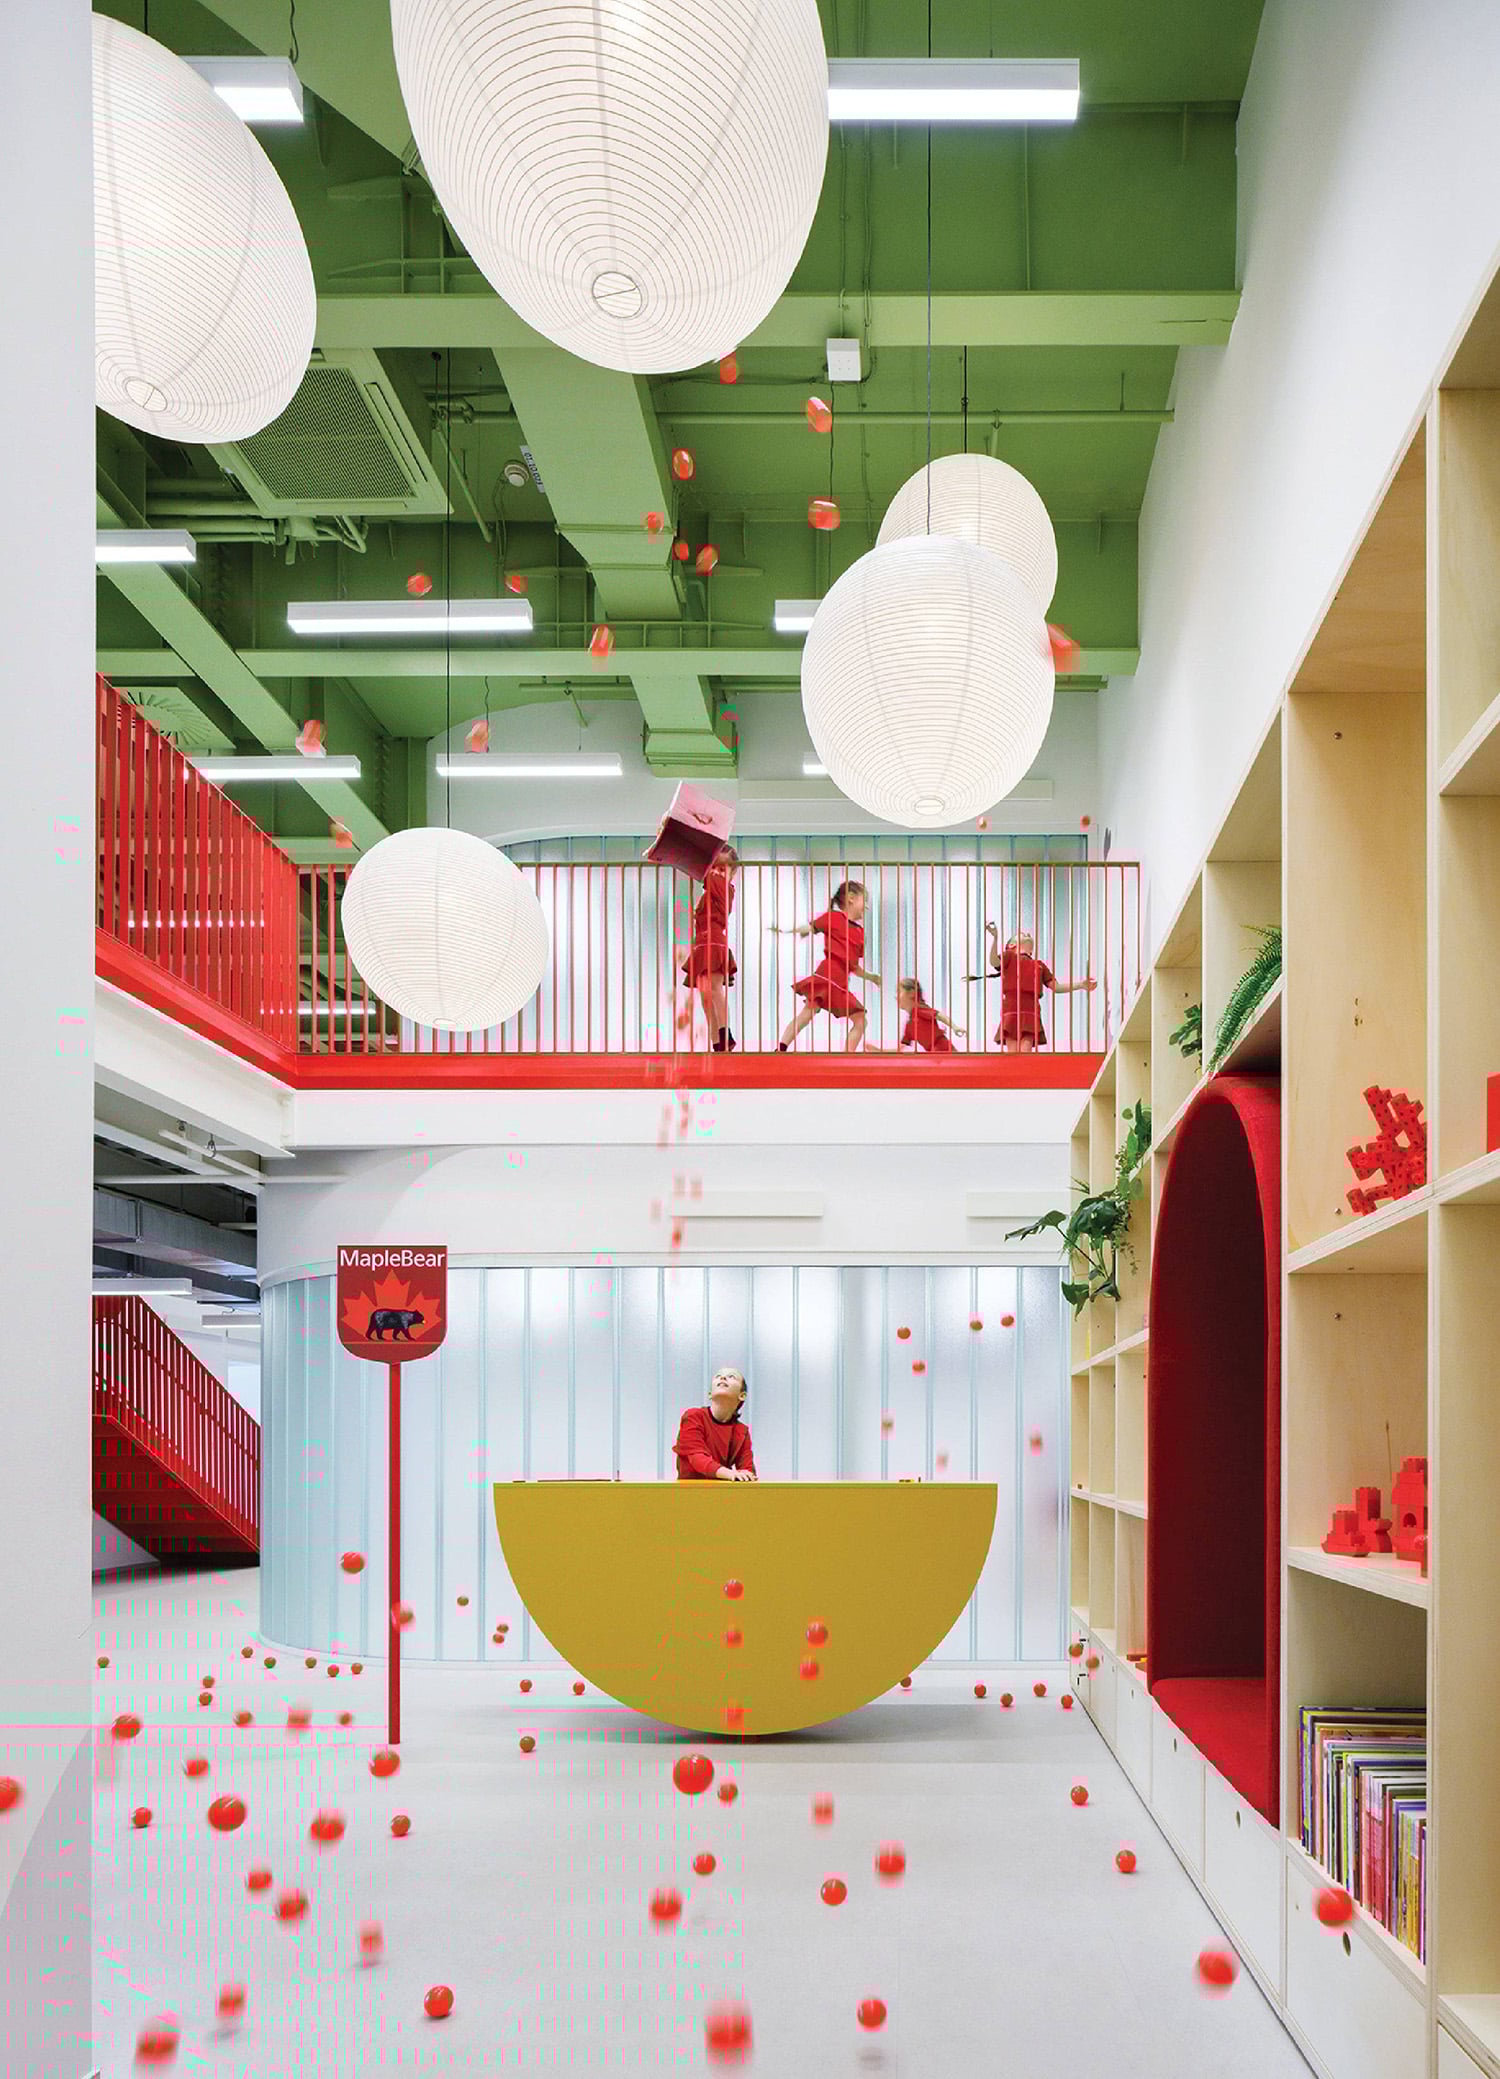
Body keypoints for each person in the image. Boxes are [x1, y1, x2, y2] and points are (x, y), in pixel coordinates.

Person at [775, 881, 881, 1053]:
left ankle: (848, 1057)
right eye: (865, 900)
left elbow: (853, 966)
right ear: (852, 899)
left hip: (841, 984)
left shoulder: (860, 933)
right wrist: (788, 931)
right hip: (827, 976)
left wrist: (872, 977)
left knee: (860, 1019)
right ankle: (781, 1048)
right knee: (808, 1013)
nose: (867, 907)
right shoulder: (833, 918)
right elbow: (809, 928)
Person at [984, 924, 1095, 1052]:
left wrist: (1080, 985)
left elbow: (1056, 987)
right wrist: (995, 938)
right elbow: (994, 962)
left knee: (1026, 1049)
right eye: (1022, 935)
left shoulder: (1039, 965)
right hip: (1011, 1008)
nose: (1027, 934)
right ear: (1011, 945)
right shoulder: (1009, 957)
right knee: (1012, 1051)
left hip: (1031, 1009)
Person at [679, 844, 739, 1053]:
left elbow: (701, 872)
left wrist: (688, 855)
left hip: (713, 941)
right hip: (703, 943)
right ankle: (717, 1044)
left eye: (722, 869)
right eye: (715, 867)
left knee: (714, 989)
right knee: (706, 994)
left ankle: (725, 1035)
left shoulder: (724, 888)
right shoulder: (712, 889)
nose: (716, 872)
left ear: (732, 874)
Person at [674, 1367, 757, 1482]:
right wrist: (730, 1473)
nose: (723, 1378)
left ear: (742, 1395)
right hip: (690, 1493)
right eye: (718, 1376)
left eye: (731, 1377)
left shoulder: (741, 1431)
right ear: (710, 1394)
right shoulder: (693, 1417)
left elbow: (747, 1471)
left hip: (720, 1494)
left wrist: (746, 1475)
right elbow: (697, 1459)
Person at [897, 977, 963, 1053]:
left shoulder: (919, 1010)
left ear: (912, 993)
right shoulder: (909, 1026)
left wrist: (955, 1027)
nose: (896, 997)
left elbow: (939, 1015)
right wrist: (880, 1051)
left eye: (899, 992)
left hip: (943, 1049)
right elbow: (900, 1049)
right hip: (934, 1054)